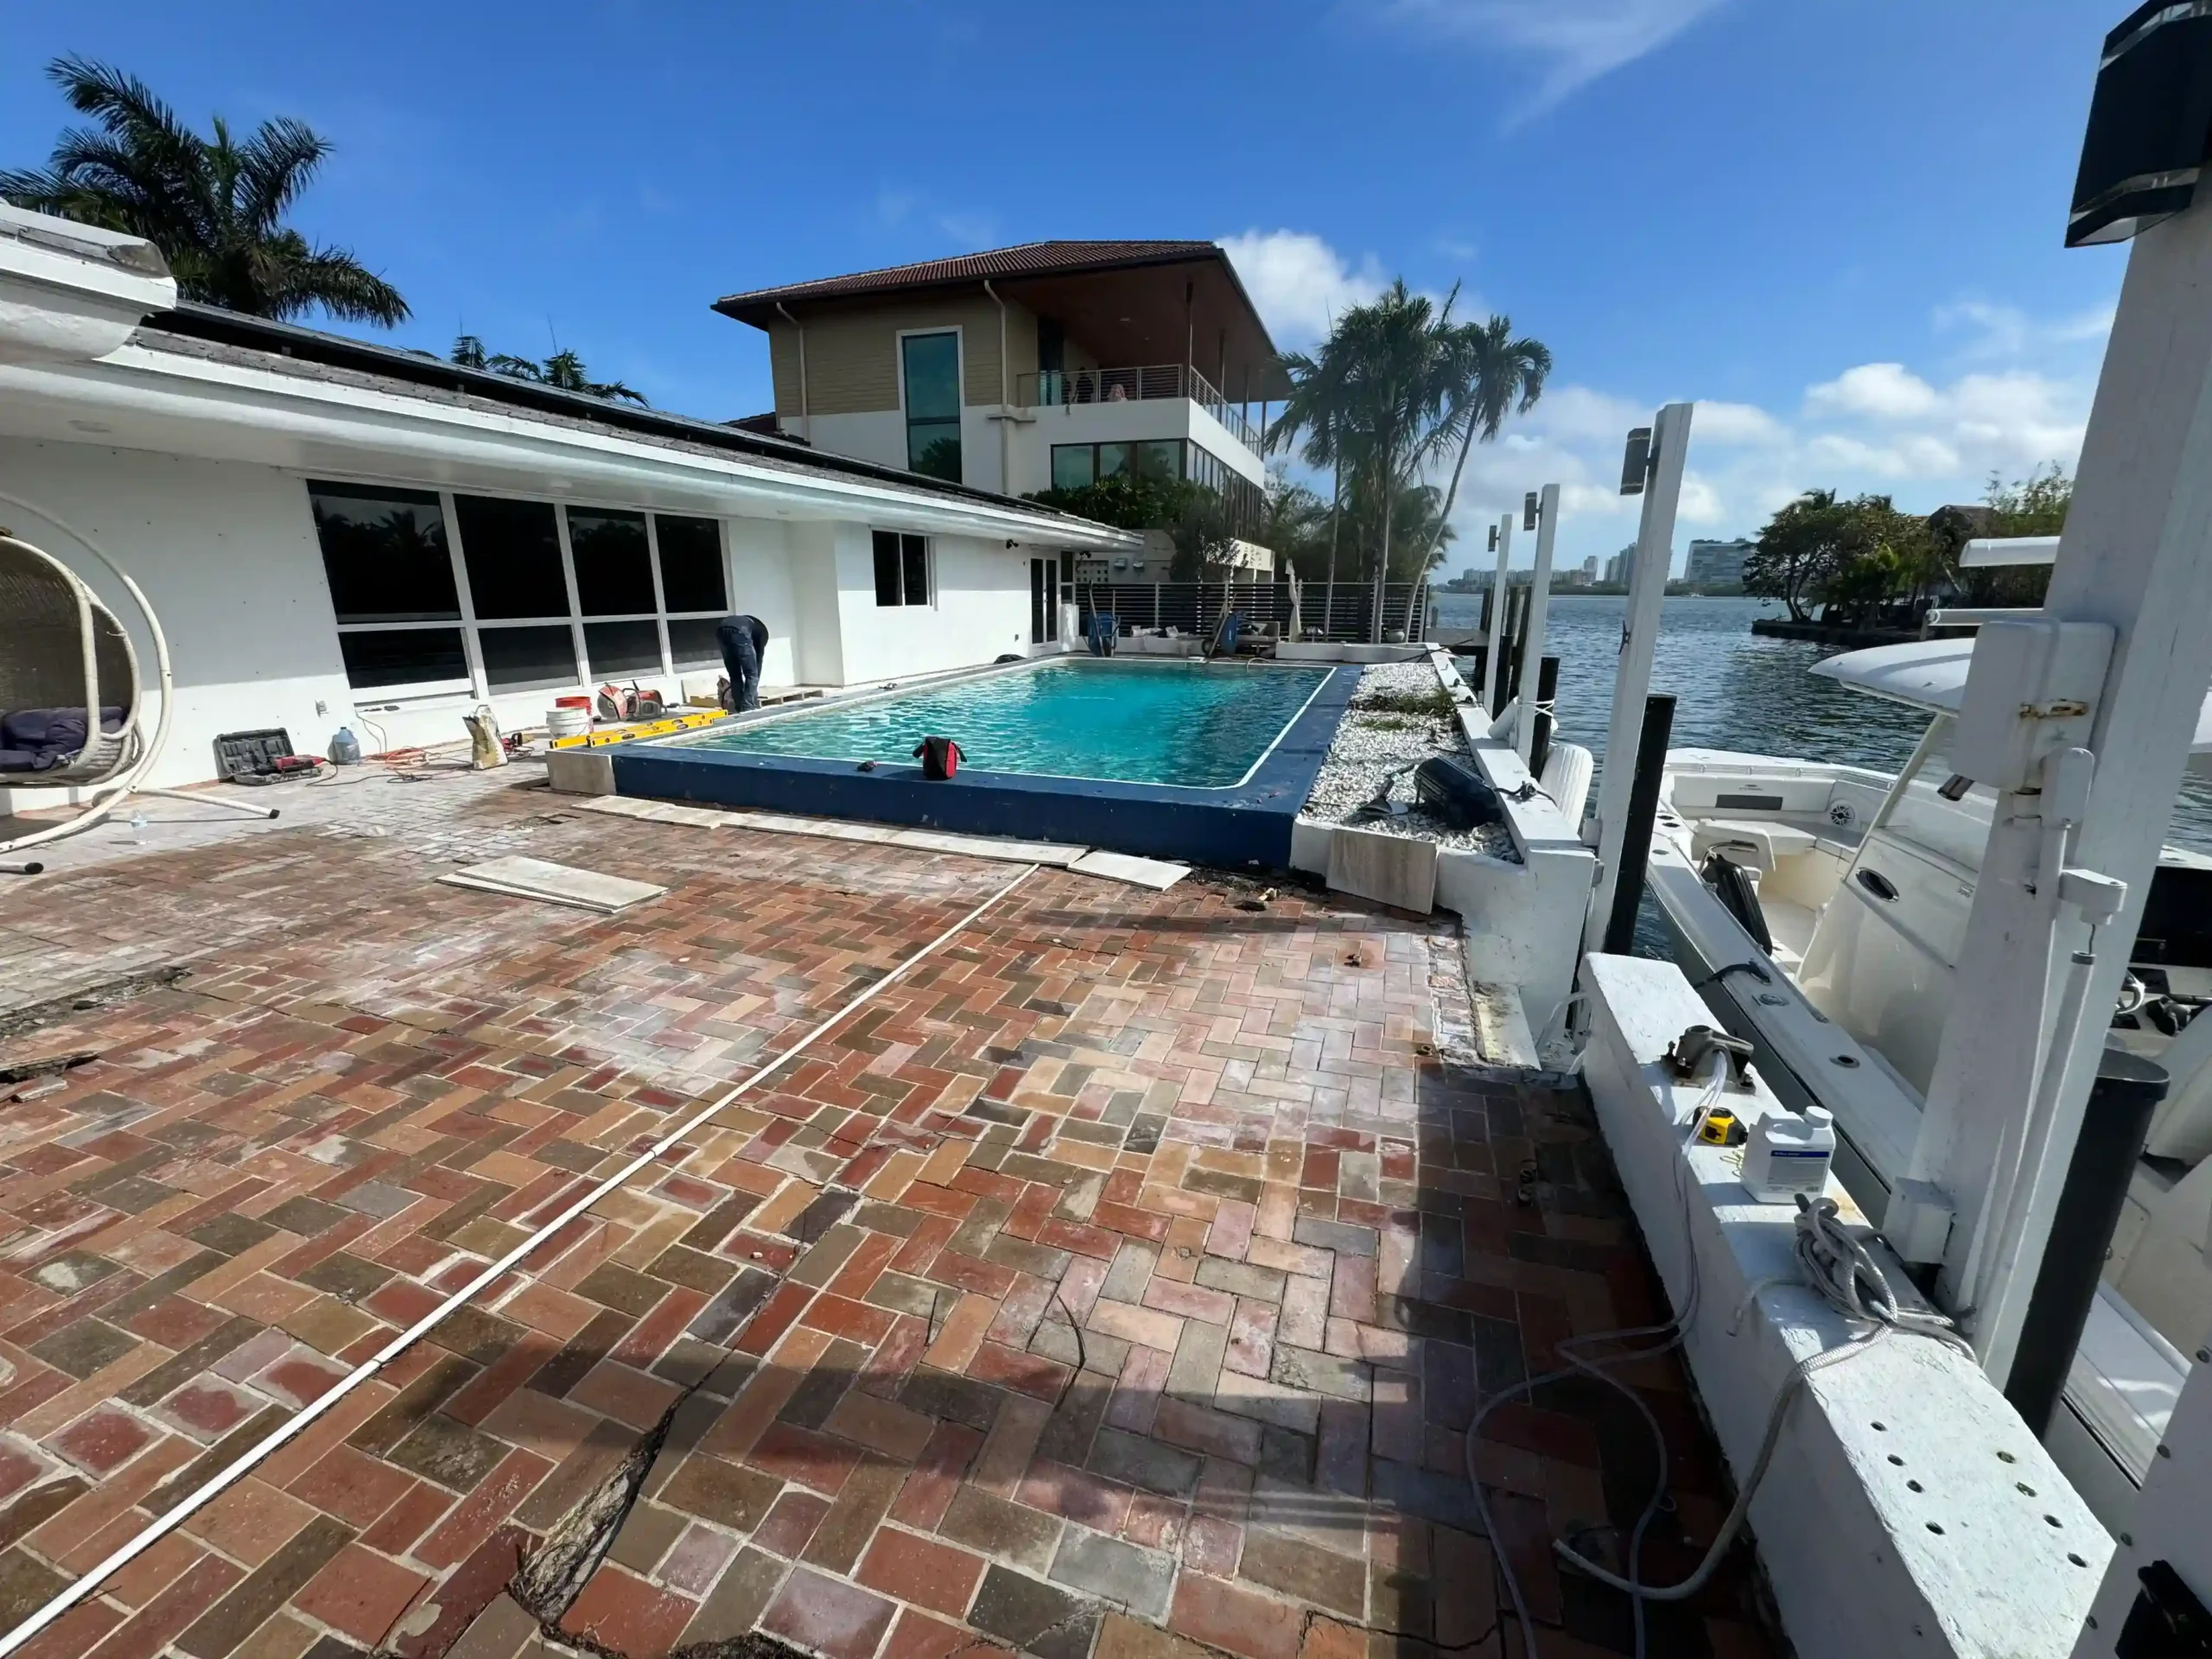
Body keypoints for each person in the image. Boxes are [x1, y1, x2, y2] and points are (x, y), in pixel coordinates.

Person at [716, 613, 769, 711]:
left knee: (734, 675)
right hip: (740, 631)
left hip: (721, 629)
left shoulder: (754, 626)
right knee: (752, 675)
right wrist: (753, 691)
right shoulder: (761, 635)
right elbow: (757, 665)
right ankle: (748, 707)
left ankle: (739, 706)